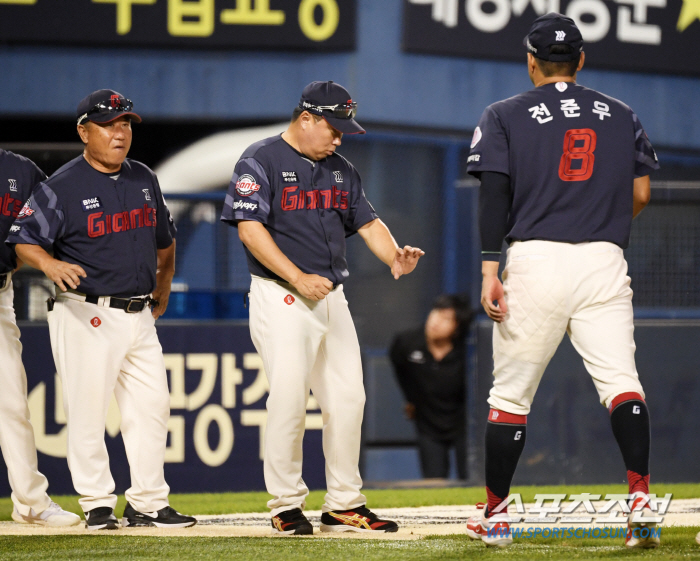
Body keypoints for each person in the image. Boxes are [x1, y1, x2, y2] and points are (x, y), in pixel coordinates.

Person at [464, 13, 660, 548]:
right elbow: (640, 196)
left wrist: (489, 267)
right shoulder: (621, 114)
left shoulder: (504, 113)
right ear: (580, 60)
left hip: (537, 260)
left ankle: (497, 517)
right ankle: (640, 500)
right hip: (603, 260)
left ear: (531, 61)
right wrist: (597, 225)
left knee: (511, 396)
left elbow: (494, 195)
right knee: (621, 384)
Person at [221, 81, 424, 535]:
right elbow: (249, 230)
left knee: (349, 399)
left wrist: (394, 255)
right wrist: (295, 276)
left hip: (331, 297)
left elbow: (367, 221)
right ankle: (286, 504)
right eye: (333, 128)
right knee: (291, 401)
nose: (339, 138)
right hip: (282, 295)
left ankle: (344, 503)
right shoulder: (260, 159)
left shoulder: (340, 168)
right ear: (306, 118)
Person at [7, 90, 196, 530]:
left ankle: (148, 502)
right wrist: (50, 263)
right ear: (84, 131)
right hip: (85, 311)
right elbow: (23, 237)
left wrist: (163, 284)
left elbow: (165, 239)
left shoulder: (143, 177)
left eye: (126, 124)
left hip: (138, 314)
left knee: (152, 409)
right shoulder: (62, 185)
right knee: (88, 412)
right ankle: (96, 504)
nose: (120, 133)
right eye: (110, 124)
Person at [0, 150, 81, 527]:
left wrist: (18, 258)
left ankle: (30, 503)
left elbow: (52, 218)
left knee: (12, 402)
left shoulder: (21, 170)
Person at [389, 294, 473, 480]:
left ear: (458, 327)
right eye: (435, 313)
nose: (436, 321)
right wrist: (411, 400)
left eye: (446, 319)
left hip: (465, 424)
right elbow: (400, 369)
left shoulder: (469, 350)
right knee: (433, 481)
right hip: (428, 425)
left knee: (471, 480)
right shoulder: (406, 343)